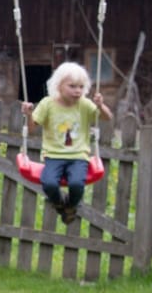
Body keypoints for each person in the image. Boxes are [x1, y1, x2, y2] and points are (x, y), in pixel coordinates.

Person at [21, 60, 113, 223]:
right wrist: (28, 115)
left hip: (78, 156)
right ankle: (59, 203)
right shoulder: (47, 104)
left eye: (81, 87)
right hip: (53, 156)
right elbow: (32, 128)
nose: (77, 91)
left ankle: (70, 207)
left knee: (77, 184)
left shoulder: (84, 104)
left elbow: (107, 118)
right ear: (59, 85)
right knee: (49, 184)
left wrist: (100, 106)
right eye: (72, 86)